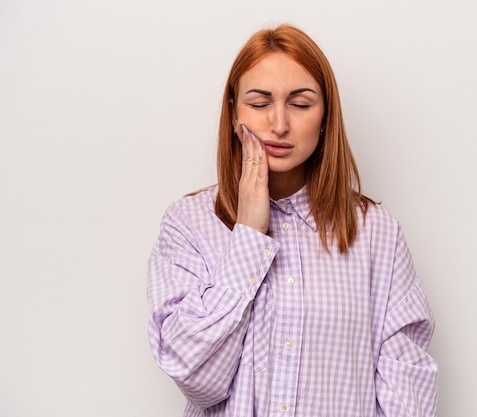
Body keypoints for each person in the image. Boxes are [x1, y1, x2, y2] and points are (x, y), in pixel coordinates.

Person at [147, 24, 438, 417]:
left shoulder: (377, 234)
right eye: (259, 103)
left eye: (300, 104)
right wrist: (249, 235)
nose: (279, 124)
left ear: (325, 115)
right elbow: (197, 378)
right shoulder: (189, 224)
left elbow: (408, 389)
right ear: (233, 111)